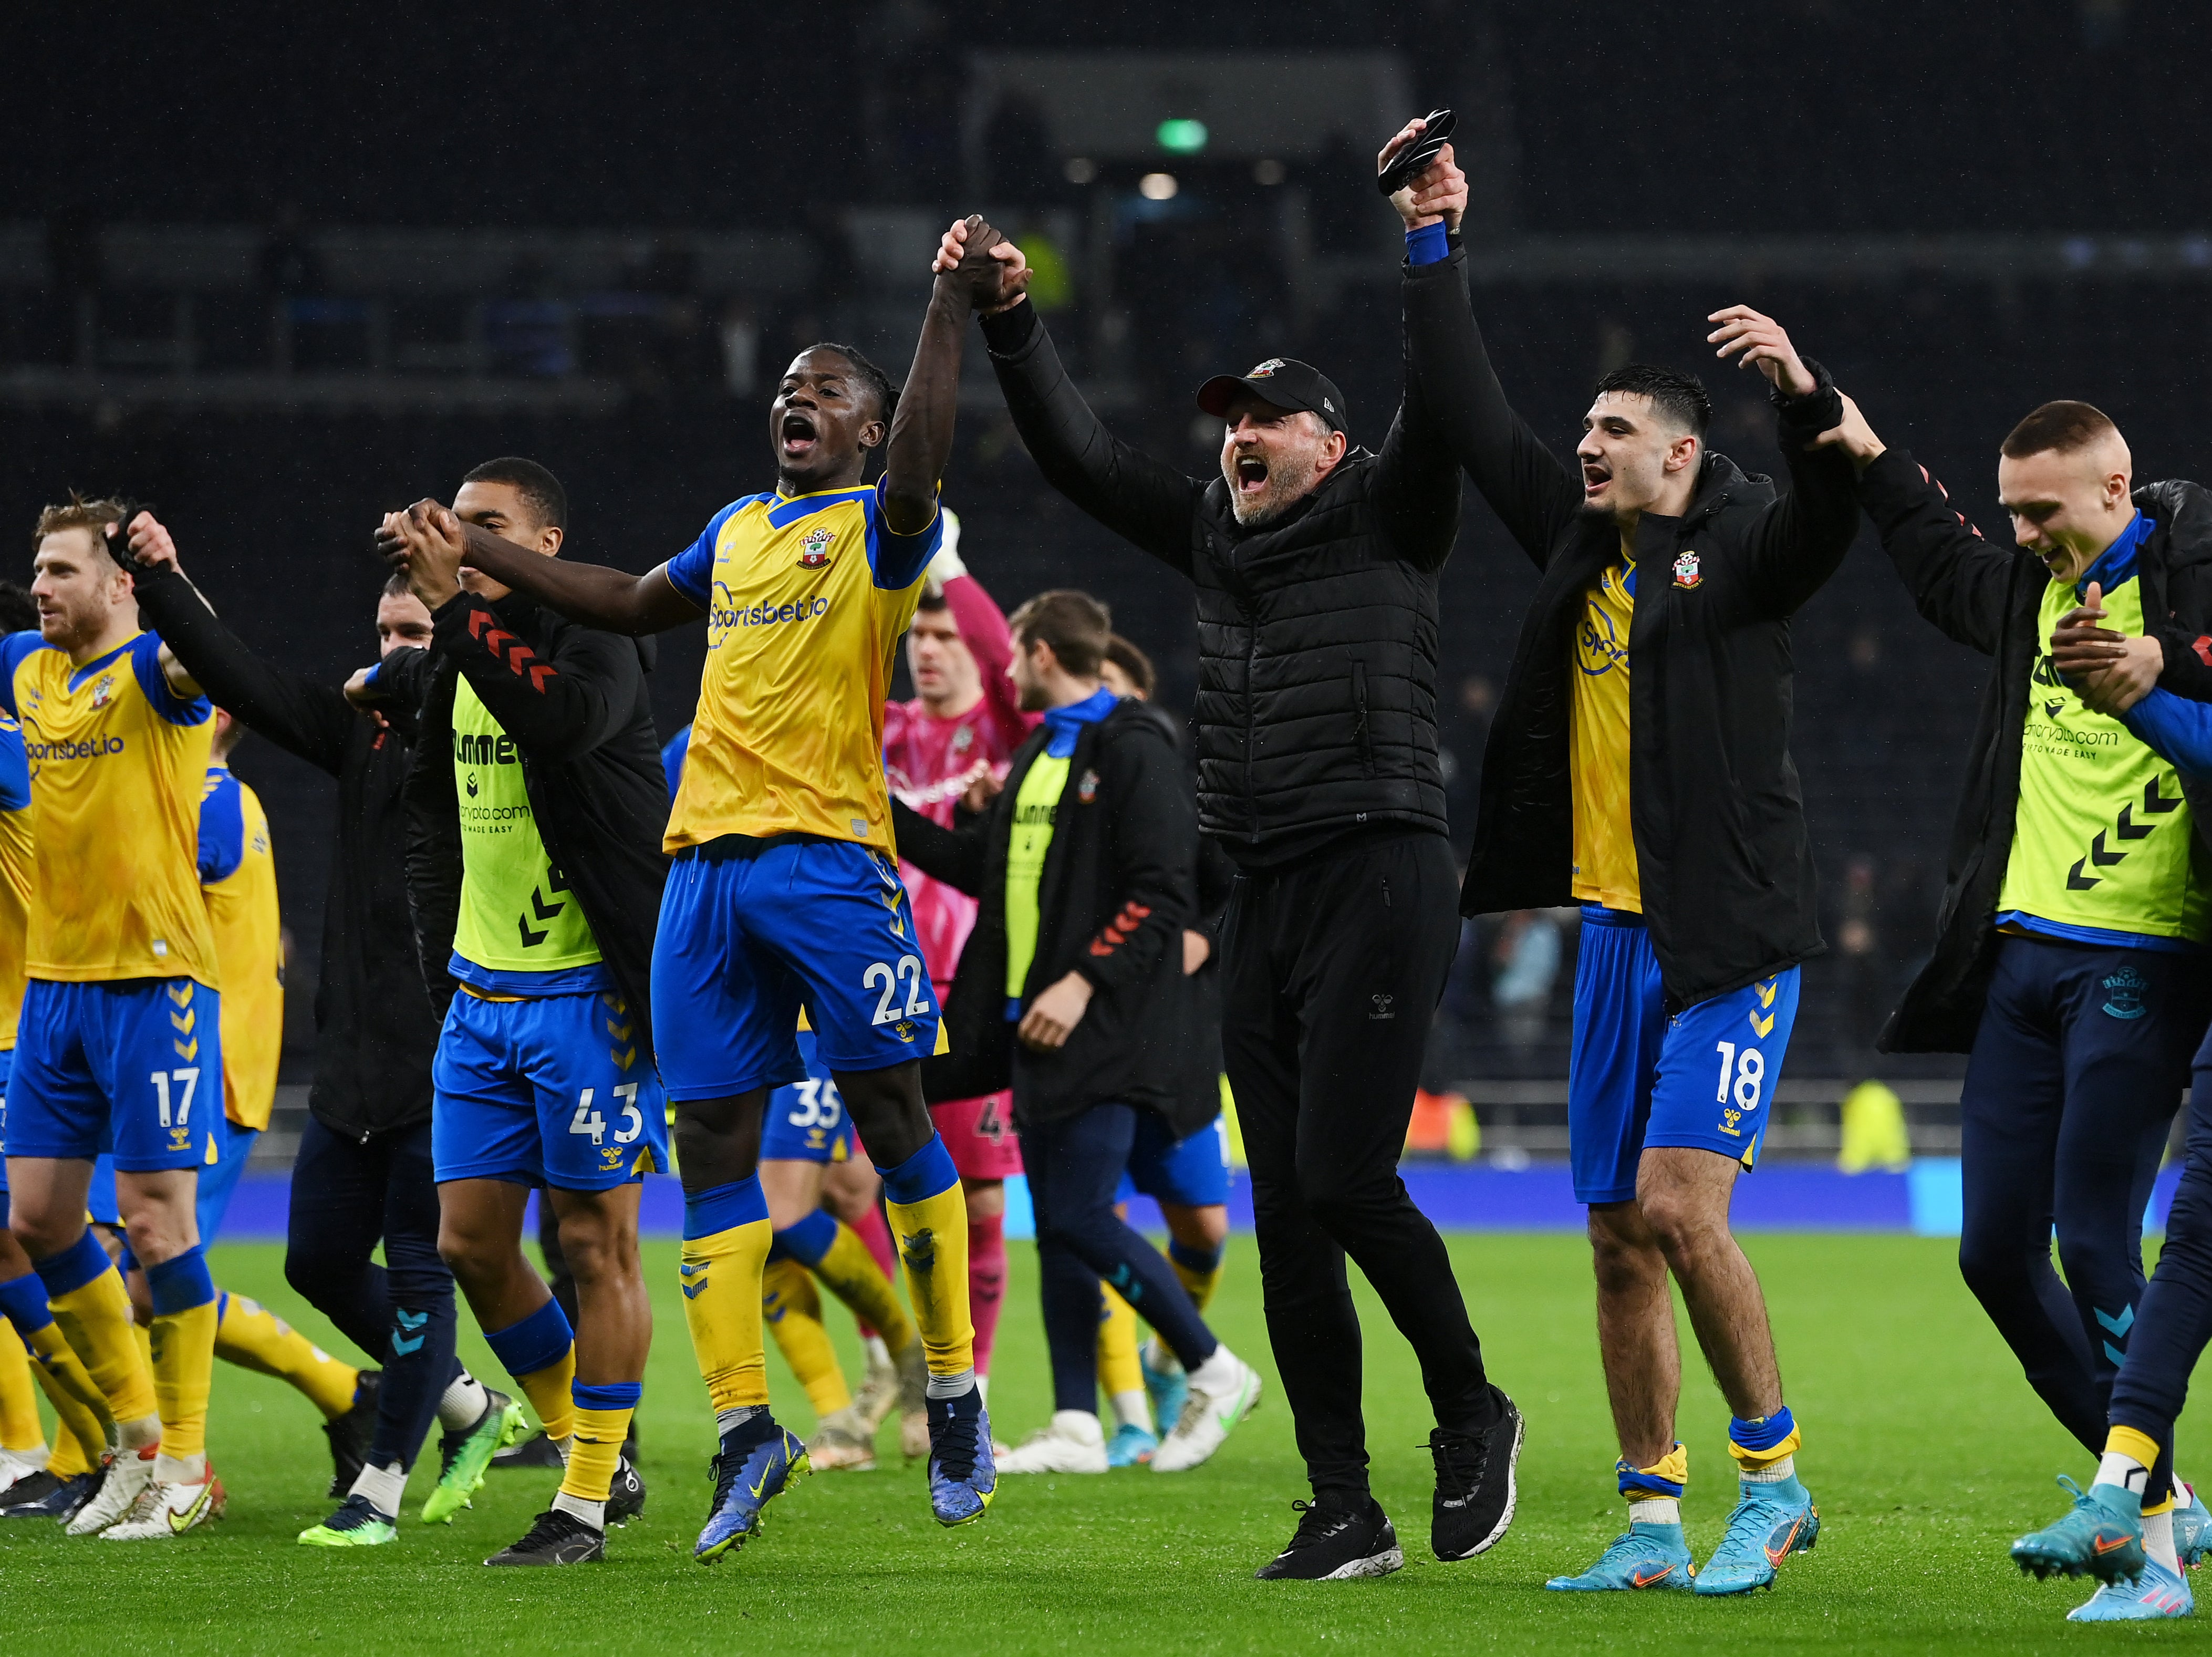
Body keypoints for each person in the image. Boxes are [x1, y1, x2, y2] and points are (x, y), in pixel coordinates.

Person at [375, 219, 1019, 1555]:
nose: (799, 398)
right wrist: (478, 562)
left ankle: (954, 1384)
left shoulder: (883, 529)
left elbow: (925, 462)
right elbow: (615, 596)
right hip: (701, 874)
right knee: (712, 1151)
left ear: (870, 428)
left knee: (895, 1112)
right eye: (790, 383)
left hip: (833, 859)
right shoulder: (734, 530)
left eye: (829, 389)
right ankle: (744, 1427)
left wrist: (946, 308)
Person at [938, 126, 1517, 1581]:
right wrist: (1011, 317)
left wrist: (1430, 240)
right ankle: (1342, 1506)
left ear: (1328, 444)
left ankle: (1471, 1405)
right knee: (1285, 1213)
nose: (1233, 439)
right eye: (1224, 423)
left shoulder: (1394, 506)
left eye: (1262, 421)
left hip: (1381, 869)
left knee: (1337, 1174)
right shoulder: (1210, 533)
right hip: (1257, 886)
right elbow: (1076, 457)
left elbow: (1443, 401)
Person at [1434, 174, 1860, 1586]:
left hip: (1725, 942)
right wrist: (1435, 240)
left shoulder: (1741, 556)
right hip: (1614, 937)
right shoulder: (1579, 551)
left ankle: (1773, 1480)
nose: (1583, 448)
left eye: (1611, 432)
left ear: (1677, 455)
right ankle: (1647, 1520)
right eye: (1583, 431)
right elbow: (1474, 406)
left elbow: (1826, 511)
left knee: (1682, 1209)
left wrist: (1802, 390)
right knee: (1618, 1240)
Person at [1818, 395, 2212, 1622]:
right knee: (1994, 1250)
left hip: (2143, 954)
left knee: (2096, 1239)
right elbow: (1937, 558)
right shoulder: (2030, 600)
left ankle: (2148, 1549)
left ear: (2117, 486)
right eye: (2012, 511)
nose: (2027, 532)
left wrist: (2152, 682)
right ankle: (2162, 1489)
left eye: (2045, 510)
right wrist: (1865, 446)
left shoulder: (2189, 592)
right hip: (2023, 960)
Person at [127, 542, 524, 1546]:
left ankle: (379, 1489)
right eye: (385, 633)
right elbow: (240, 678)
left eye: (415, 637)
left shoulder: (491, 738)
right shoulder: (359, 739)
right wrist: (166, 581)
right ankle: (470, 1405)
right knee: (315, 1261)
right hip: (350, 1054)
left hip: (450, 1048)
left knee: (419, 1262)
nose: (394, 651)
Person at [371, 457, 668, 1567]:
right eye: (458, 520)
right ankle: (595, 1448)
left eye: (488, 524)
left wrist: (452, 600)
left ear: (544, 546)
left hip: (589, 995)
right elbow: (430, 815)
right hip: (482, 995)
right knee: (473, 1244)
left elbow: (559, 725)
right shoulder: (451, 654)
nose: (464, 536)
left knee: (598, 1243)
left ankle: (583, 1503)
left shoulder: (604, 640)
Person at [894, 590, 1258, 1477]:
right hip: (1028, 1026)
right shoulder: (1040, 755)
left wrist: (1082, 979)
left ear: (1045, 654)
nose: (1003, 670)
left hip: (1101, 1026)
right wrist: (878, 811)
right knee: (1060, 1224)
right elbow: (979, 871)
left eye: (1013, 654)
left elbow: (1162, 894)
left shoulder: (1133, 746)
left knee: (1083, 1215)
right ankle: (1077, 1422)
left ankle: (1214, 1367)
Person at [0, 501, 229, 1539]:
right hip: (52, 987)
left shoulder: (152, 673)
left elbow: (210, 663)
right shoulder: (25, 668)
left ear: (116, 584)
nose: (41, 586)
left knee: (153, 1222)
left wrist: (174, 581)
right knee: (39, 1219)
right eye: (36, 570)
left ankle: (187, 1461)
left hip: (157, 983)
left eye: (60, 570)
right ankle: (136, 1444)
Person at [876, 512, 1034, 1432]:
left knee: (978, 1196)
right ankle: (892, 1359)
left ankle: (967, 1385)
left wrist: (952, 564)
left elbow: (1010, 664)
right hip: (877, 985)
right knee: (862, 1188)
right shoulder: (882, 728)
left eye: (945, 635)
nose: (930, 650)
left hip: (971, 994)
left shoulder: (1007, 737)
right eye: (919, 635)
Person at [1095, 631, 1237, 1465]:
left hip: (1177, 1042)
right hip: (1090, 1042)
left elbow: (1236, 887)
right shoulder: (1057, 790)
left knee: (1204, 1232)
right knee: (1094, 1217)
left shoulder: (1188, 797)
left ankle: (1166, 1354)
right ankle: (1126, 1419)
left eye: (1115, 689)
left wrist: (1206, 937)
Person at [0, 576, 122, 1523]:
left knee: (38, 1242)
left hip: (24, 1029)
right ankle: (48, 1449)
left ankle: (97, 1442)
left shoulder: (16, 749)